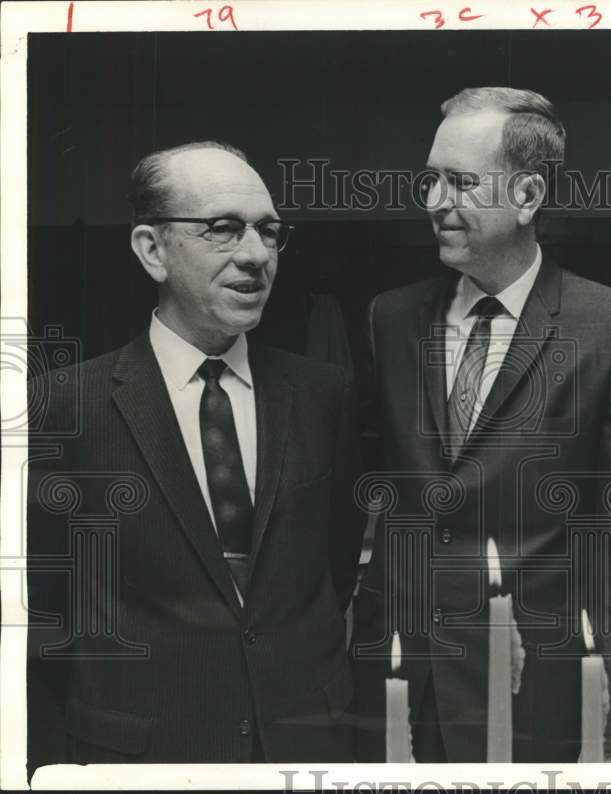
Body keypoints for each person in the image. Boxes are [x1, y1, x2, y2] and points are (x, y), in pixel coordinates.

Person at [351, 87, 611, 762]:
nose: (436, 201)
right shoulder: (390, 319)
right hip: (404, 681)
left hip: (542, 692)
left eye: (461, 182)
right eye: (430, 180)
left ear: (528, 195)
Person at [26, 141, 364, 767]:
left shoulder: (324, 394)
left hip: (304, 747)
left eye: (269, 231)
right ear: (152, 250)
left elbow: (334, 569)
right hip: (140, 755)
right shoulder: (64, 406)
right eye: (223, 230)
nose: (257, 255)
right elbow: (41, 610)